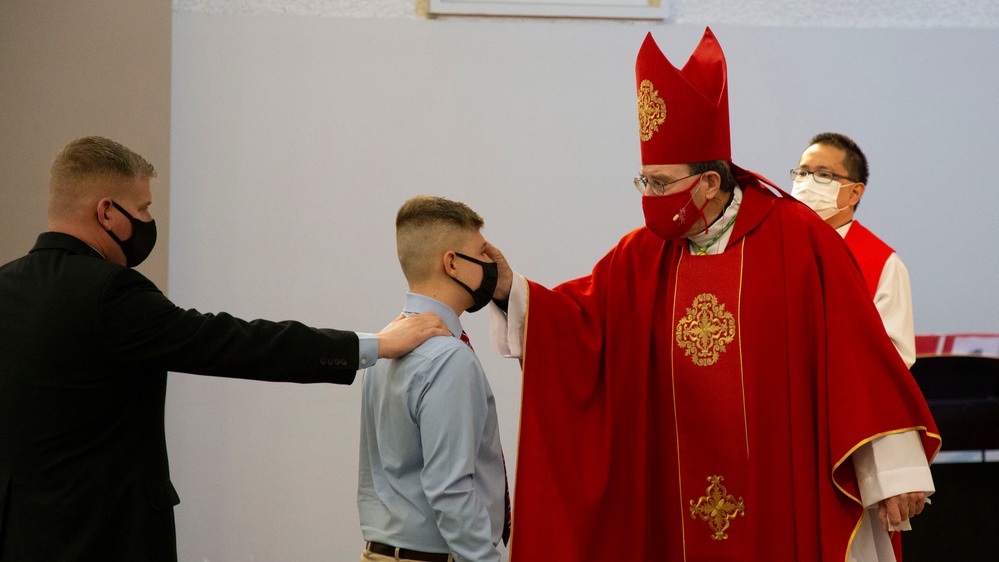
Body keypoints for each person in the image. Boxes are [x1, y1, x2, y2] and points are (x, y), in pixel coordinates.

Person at [486, 29, 939, 561]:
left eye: (660, 184)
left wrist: (892, 471)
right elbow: (580, 325)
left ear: (706, 183)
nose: (649, 198)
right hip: (672, 498)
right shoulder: (643, 255)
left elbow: (856, 354)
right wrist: (506, 289)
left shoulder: (797, 239)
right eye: (644, 183)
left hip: (781, 488)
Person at [0, 136, 449, 562]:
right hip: (105, 540)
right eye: (143, 208)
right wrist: (373, 345)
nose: (148, 222)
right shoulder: (110, 294)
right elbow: (232, 342)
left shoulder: (7, 284)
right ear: (107, 213)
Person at [357, 196, 508, 562]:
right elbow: (450, 490)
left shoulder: (384, 342)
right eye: (482, 253)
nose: (491, 263)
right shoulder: (449, 358)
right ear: (452, 262)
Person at [791, 132, 916, 368]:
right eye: (803, 173)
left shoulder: (884, 264)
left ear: (854, 192)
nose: (807, 183)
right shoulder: (775, 247)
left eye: (824, 175)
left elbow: (896, 358)